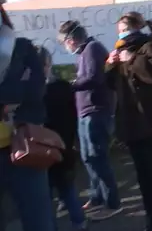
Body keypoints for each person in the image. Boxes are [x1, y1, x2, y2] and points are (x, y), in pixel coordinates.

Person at [106, 12, 152, 231]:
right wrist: (109, 64)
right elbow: (109, 84)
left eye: (124, 29)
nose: (122, 34)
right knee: (142, 175)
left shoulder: (147, 46)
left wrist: (132, 60)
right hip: (131, 124)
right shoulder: (119, 50)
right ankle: (150, 216)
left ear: (136, 28)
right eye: (119, 31)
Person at [58, 20, 122, 221]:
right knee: (88, 157)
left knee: (98, 157)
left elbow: (95, 78)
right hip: (85, 113)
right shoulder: (83, 53)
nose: (65, 47)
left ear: (72, 40)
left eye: (64, 43)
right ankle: (97, 196)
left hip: (97, 111)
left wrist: (71, 86)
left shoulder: (93, 49)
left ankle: (112, 202)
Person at [0, 5, 56, 231]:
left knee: (38, 220)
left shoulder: (21, 47)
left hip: (23, 146)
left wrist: (11, 96)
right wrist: (11, 95)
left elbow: (35, 90)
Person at [37, 46, 88, 230]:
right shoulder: (64, 87)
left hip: (39, 148)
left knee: (44, 194)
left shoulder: (29, 93)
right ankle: (79, 222)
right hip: (63, 144)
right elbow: (73, 116)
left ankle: (50, 225)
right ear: (49, 63)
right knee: (67, 188)